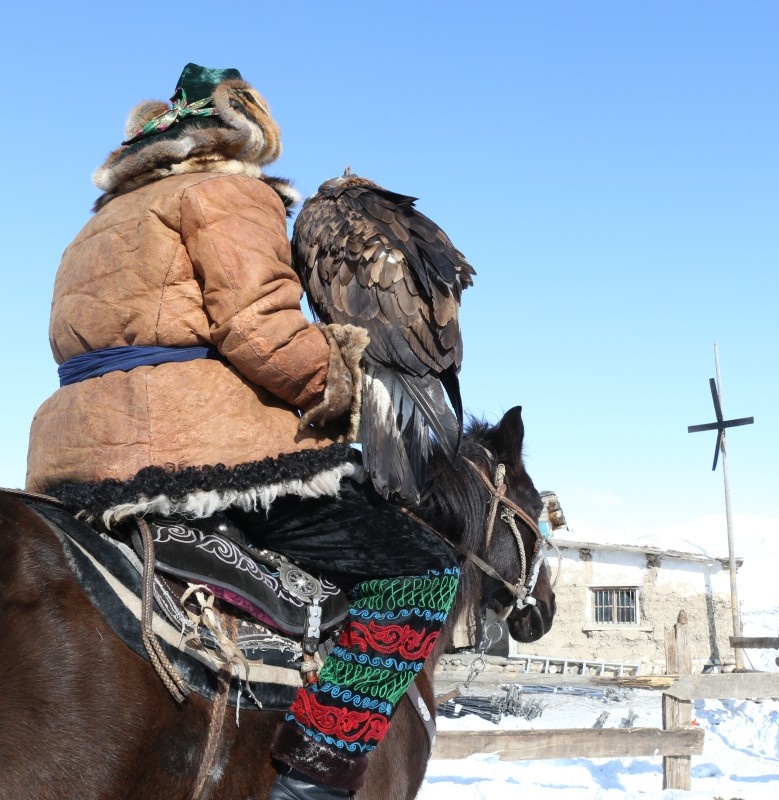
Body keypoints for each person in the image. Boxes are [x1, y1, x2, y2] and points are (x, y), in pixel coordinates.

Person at [25, 63, 460, 800]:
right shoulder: (227, 192)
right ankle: (315, 778)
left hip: (74, 463)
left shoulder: (97, 225)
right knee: (420, 570)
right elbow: (263, 334)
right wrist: (352, 384)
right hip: (195, 454)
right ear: (241, 130)